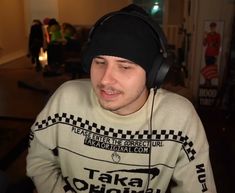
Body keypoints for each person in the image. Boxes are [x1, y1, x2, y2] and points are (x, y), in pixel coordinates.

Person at [26, 4, 217, 193]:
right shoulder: (65, 99)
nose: (105, 79)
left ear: (153, 73)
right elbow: (39, 160)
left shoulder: (180, 118)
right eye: (99, 62)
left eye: (125, 67)